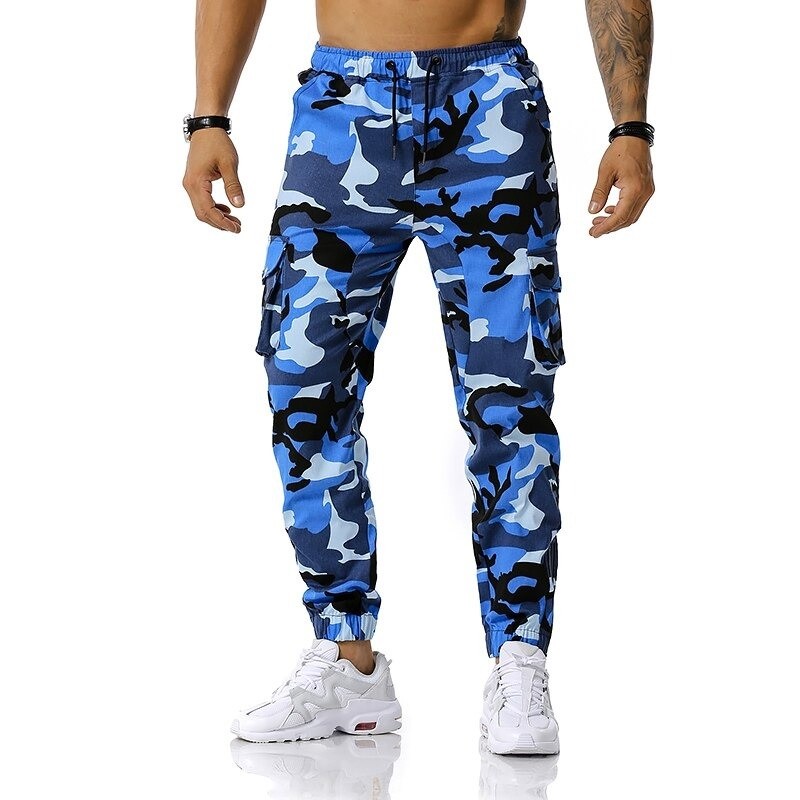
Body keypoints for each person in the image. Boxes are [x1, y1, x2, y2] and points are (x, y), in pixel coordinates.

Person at [182, 0, 654, 756]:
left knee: (510, 395)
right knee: (305, 383)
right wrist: (209, 116)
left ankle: (520, 660)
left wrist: (630, 126)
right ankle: (347, 659)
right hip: (343, 105)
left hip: (488, 100)